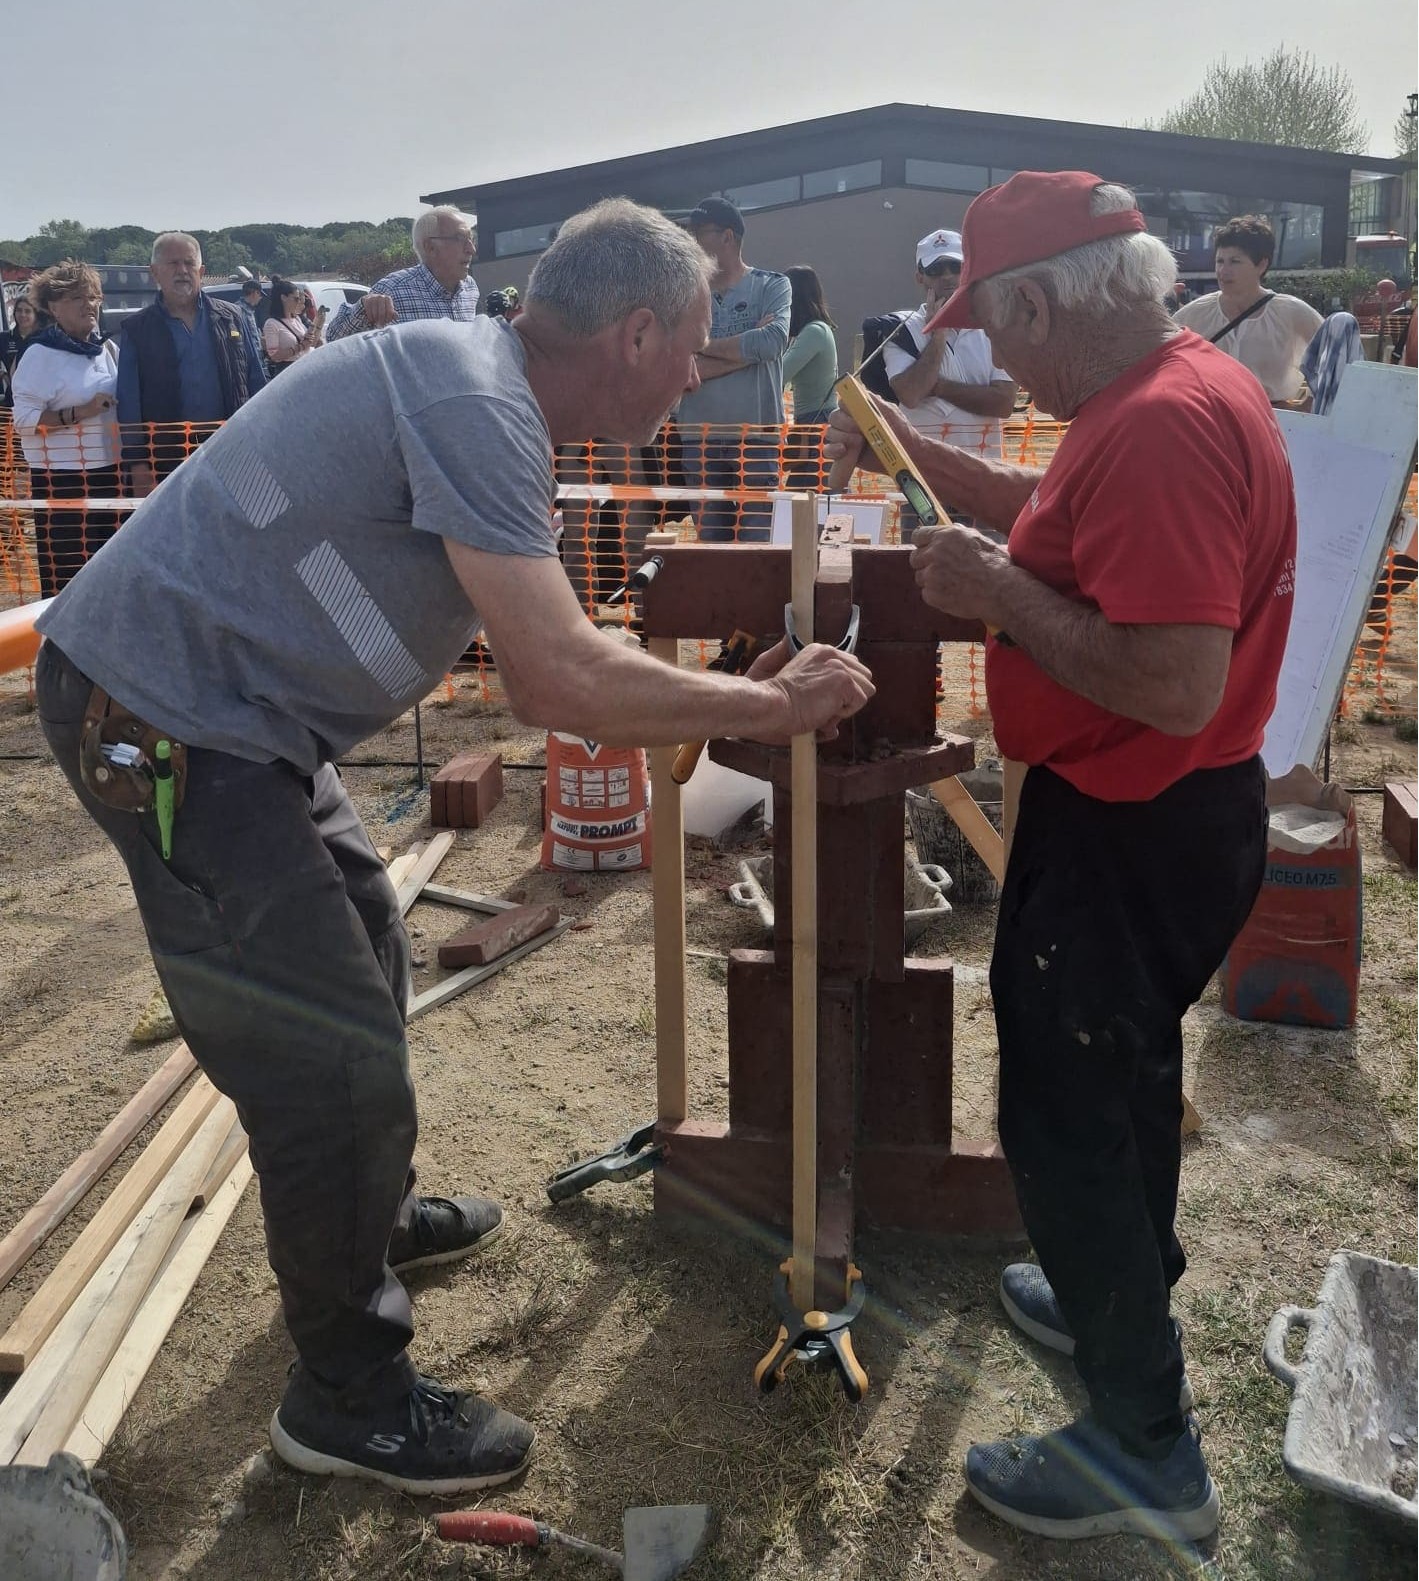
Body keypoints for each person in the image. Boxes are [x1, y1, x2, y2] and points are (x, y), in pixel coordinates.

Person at [34, 197, 873, 1499]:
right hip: (167, 722)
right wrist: (768, 708)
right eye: (697, 344)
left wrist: (711, 690)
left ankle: (355, 1231)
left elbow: (541, 622)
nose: (703, 371)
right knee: (325, 1057)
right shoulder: (474, 395)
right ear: (636, 329)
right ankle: (345, 1398)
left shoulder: (480, 390)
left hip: (233, 722)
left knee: (368, 930)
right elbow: (553, 677)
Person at [826, 171, 1294, 1546]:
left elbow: (1168, 678)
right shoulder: (1172, 385)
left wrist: (994, 594)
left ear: (1041, 301)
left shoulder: (1152, 426)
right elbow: (1082, 521)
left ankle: (1142, 1452)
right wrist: (969, 496)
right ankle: (1117, 1289)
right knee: (1119, 1075)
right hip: (1161, 814)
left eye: (995, 325)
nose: (994, 355)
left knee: (1066, 1111)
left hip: (1134, 811)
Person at [673, 196, 790, 541]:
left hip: (756, 439)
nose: (690, 241)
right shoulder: (682, 296)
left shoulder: (773, 284)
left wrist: (702, 346)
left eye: (699, 232)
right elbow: (677, 367)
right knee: (712, 553)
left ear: (727, 236)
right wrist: (747, 348)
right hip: (699, 441)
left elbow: (771, 342)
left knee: (757, 550)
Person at [116, 232, 266, 496]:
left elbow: (255, 381)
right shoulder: (137, 329)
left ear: (202, 270)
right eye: (173, 264)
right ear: (155, 272)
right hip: (166, 459)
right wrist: (139, 464)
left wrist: (262, 440)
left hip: (232, 452)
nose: (182, 271)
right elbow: (129, 404)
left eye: (189, 263)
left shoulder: (232, 317)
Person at [10, 261, 121, 597]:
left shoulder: (106, 349)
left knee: (107, 574)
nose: (89, 304)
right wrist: (82, 412)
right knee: (69, 582)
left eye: (94, 297)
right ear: (54, 307)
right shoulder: (39, 355)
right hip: (63, 481)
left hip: (111, 475)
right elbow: (24, 422)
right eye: (78, 298)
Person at [882, 229, 1017, 455]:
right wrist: (938, 333)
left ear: (967, 269)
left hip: (984, 472)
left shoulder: (993, 325)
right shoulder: (899, 329)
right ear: (920, 276)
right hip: (924, 476)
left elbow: (1003, 403)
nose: (946, 276)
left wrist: (938, 386)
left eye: (955, 267)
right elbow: (911, 394)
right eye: (935, 270)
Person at [1175, 215, 1322, 407]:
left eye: (1235, 262)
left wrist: (1309, 408)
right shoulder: (1194, 314)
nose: (1223, 270)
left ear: (1261, 264)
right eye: (1220, 261)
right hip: (1213, 422)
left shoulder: (1292, 312)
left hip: (1273, 421)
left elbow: (1334, 360)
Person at [325, 207, 479, 340]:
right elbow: (333, 339)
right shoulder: (392, 290)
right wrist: (363, 309)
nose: (471, 249)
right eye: (459, 239)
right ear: (430, 247)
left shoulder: (470, 288)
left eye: (471, 239)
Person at [780, 264, 839, 491]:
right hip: (813, 422)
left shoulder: (814, 332)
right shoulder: (816, 331)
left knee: (808, 495)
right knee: (810, 493)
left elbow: (780, 373)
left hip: (817, 424)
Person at [262, 278, 322, 376]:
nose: (299, 302)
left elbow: (308, 343)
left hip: (305, 366)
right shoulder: (271, 324)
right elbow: (275, 356)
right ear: (283, 298)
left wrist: (311, 334)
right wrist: (301, 346)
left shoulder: (297, 319)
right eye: (296, 299)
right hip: (288, 372)